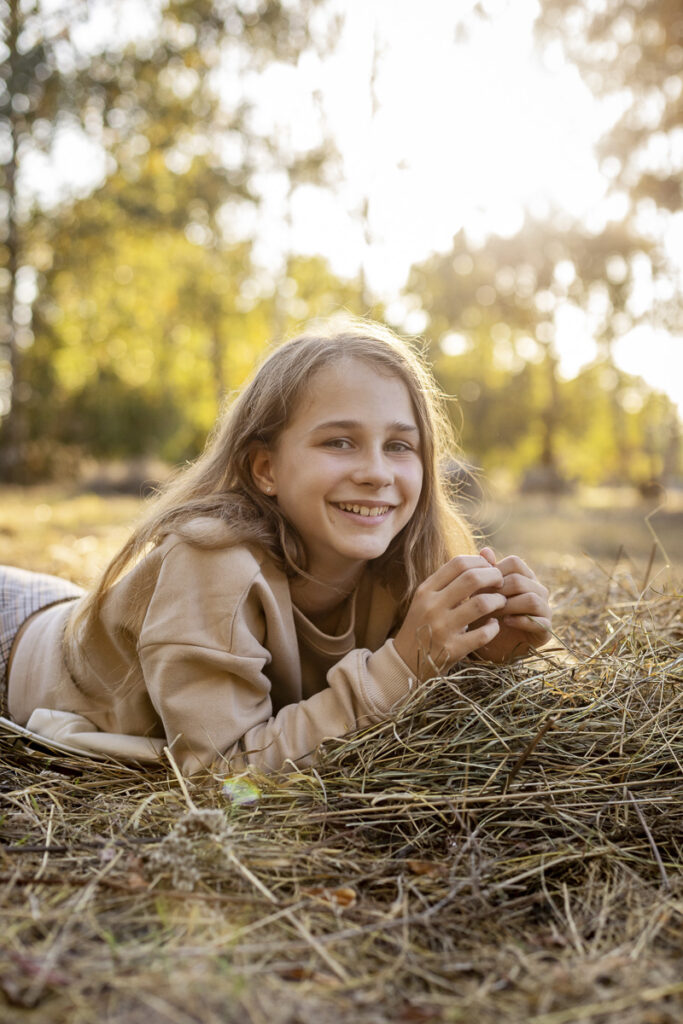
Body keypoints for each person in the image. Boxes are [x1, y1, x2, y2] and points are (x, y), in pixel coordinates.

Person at [2, 320, 551, 775]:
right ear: (265, 467)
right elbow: (225, 781)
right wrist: (403, 664)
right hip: (16, 641)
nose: (377, 473)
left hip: (64, 606)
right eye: (339, 441)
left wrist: (484, 656)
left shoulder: (401, 561)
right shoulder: (211, 561)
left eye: (400, 445)